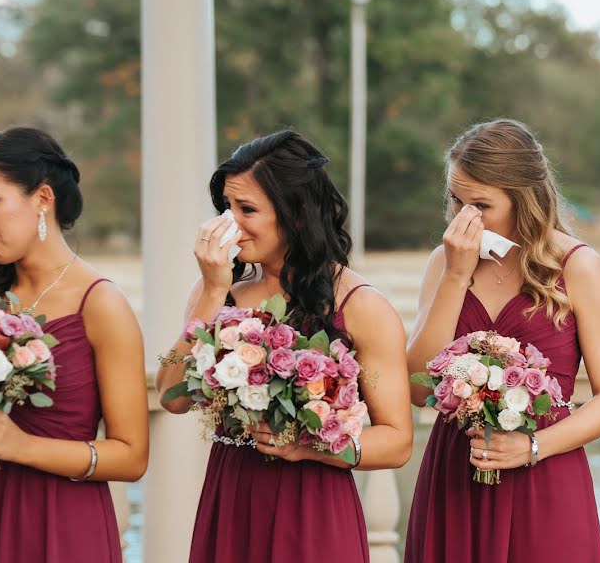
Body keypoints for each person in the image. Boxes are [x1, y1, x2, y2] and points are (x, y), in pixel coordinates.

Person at [156, 129, 413, 563]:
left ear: (295, 213)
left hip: (313, 505)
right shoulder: (219, 291)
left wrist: (308, 446)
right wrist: (213, 292)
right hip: (233, 495)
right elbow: (170, 395)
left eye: (246, 209)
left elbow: (398, 441)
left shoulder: (362, 306)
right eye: (226, 208)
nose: (228, 223)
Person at [0, 127, 149, 563]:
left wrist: (23, 447)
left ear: (42, 198)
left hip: (60, 522)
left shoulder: (102, 303)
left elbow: (131, 458)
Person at [404, 118, 600, 562]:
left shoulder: (578, 266)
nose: (463, 217)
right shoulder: (443, 263)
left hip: (544, 472)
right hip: (456, 470)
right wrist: (455, 274)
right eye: (455, 199)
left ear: (523, 198)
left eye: (481, 204)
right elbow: (414, 387)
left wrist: (532, 447)